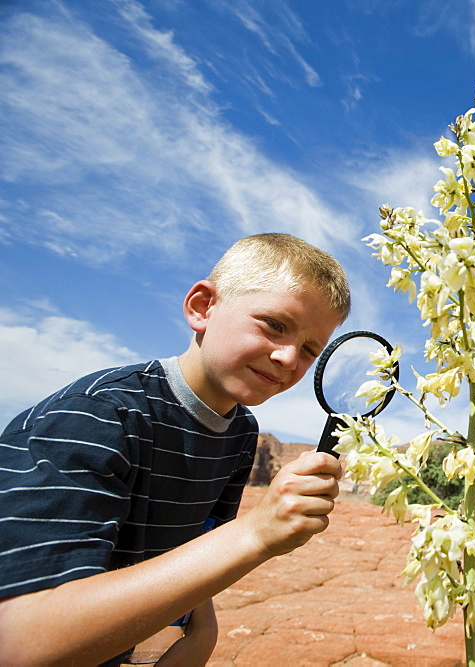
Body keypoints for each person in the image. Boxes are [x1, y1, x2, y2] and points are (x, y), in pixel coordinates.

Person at [0, 233, 350, 665]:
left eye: (310, 349)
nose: (288, 357)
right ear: (202, 308)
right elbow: (17, 640)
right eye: (275, 325)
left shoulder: (240, 431)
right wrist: (256, 533)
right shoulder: (100, 415)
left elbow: (194, 545)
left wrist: (201, 633)